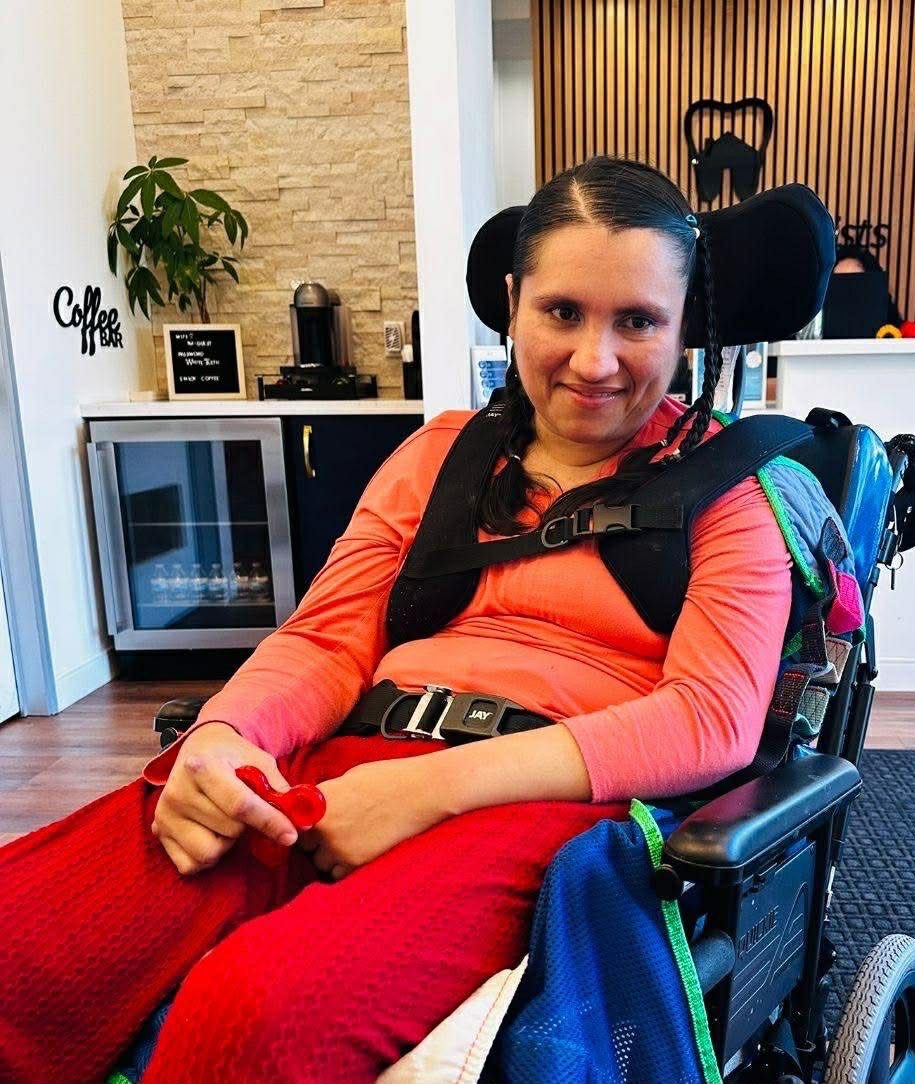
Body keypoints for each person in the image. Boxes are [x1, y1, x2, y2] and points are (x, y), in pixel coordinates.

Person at [0, 156, 792, 1084]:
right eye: (563, 312)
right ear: (512, 304)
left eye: (639, 321)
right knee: (29, 939)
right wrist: (224, 737)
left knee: (255, 1016)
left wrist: (430, 790)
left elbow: (710, 717)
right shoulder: (436, 457)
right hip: (343, 760)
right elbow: (325, 637)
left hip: (543, 810)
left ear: (685, 324)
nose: (595, 360)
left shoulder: (733, 494)